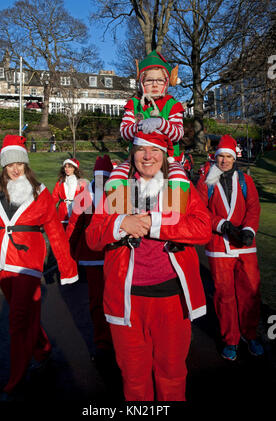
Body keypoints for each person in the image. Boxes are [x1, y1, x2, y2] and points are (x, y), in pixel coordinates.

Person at [85, 131, 211, 401]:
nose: (147, 156)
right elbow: (93, 237)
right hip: (127, 299)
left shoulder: (180, 188)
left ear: (164, 156)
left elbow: (203, 229)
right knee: (134, 378)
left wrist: (156, 224)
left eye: (154, 150)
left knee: (173, 374)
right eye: (141, 150)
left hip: (172, 299)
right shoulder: (117, 189)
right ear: (132, 153)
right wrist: (120, 225)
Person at [0, 135, 78, 397]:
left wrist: (67, 267)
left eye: (20, 163)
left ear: (26, 164)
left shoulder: (40, 192)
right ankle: (43, 351)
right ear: (4, 165)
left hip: (27, 263)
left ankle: (16, 376)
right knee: (25, 315)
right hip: (1, 263)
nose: (15, 168)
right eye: (10, 163)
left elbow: (54, 231)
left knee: (18, 319)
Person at [196, 134, 264, 361]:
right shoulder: (207, 180)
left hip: (245, 246)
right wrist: (222, 225)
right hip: (218, 245)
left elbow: (253, 208)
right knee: (225, 296)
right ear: (215, 158)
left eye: (228, 157)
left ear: (234, 159)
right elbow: (200, 210)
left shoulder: (246, 181)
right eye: (220, 157)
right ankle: (231, 339)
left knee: (250, 293)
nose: (224, 161)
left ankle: (250, 334)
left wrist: (249, 231)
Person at [66, 155, 114, 363]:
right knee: (96, 299)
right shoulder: (85, 197)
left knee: (115, 299)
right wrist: (67, 252)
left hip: (114, 256)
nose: (102, 181)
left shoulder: (118, 194)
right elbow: (74, 225)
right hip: (93, 257)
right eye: (99, 177)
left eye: (106, 177)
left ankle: (117, 338)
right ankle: (102, 340)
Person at [120, 50, 184, 159]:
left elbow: (177, 134)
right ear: (141, 83)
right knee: (119, 174)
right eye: (149, 80)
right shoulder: (134, 104)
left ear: (166, 82)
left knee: (178, 176)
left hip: (168, 160)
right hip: (139, 160)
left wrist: (160, 123)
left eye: (160, 80)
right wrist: (140, 125)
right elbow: (124, 133)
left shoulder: (173, 105)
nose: (155, 84)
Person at [52, 158, 84, 227]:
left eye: (69, 167)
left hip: (76, 212)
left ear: (74, 168)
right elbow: (54, 197)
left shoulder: (80, 182)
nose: (67, 169)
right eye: (65, 167)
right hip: (62, 212)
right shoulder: (60, 182)